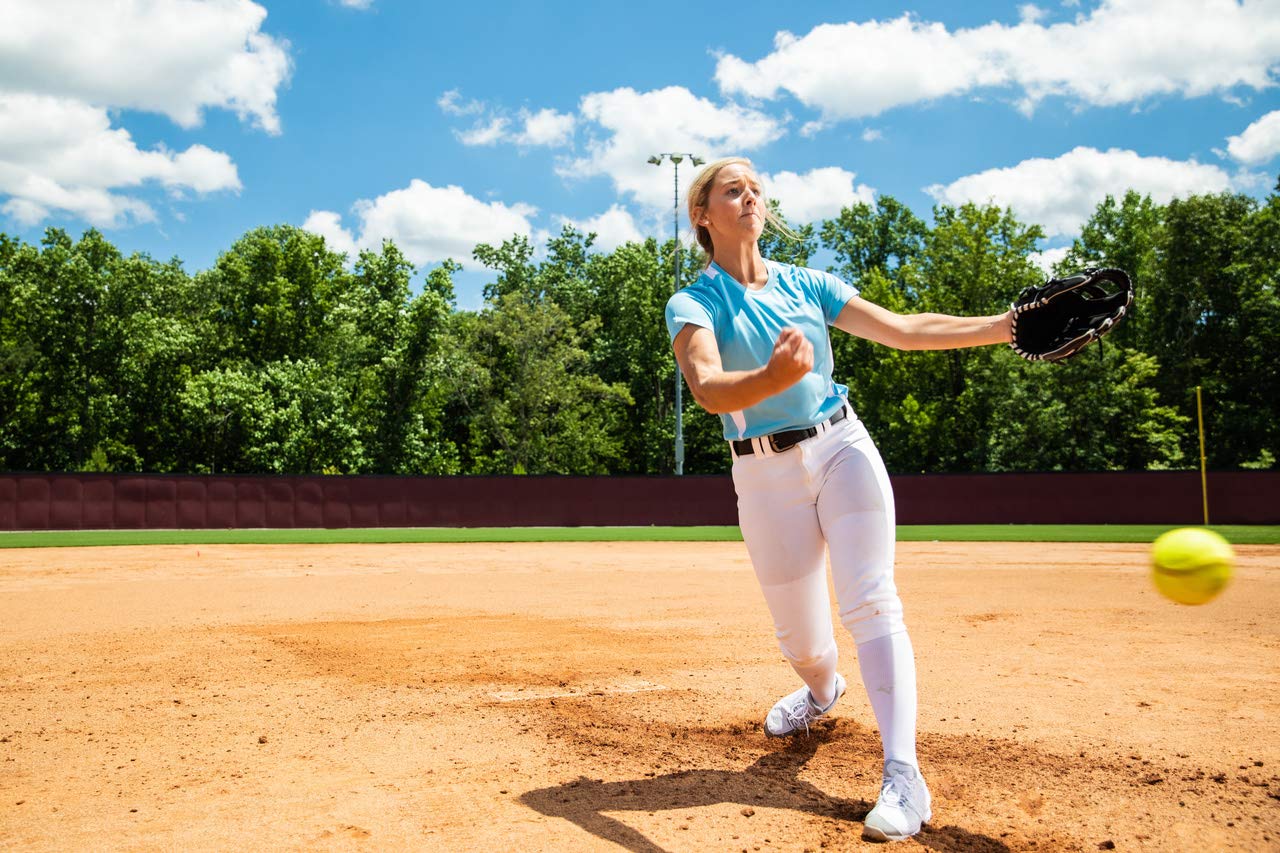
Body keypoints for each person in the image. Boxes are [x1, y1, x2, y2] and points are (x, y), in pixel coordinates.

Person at [664, 157, 1012, 843]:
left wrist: (1005, 325)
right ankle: (823, 691)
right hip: (763, 477)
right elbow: (706, 388)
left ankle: (903, 776)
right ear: (702, 213)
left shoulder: (807, 284)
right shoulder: (694, 301)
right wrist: (768, 376)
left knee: (872, 598)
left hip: (841, 445)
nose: (749, 197)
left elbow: (906, 329)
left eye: (756, 188)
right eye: (732, 189)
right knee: (803, 641)